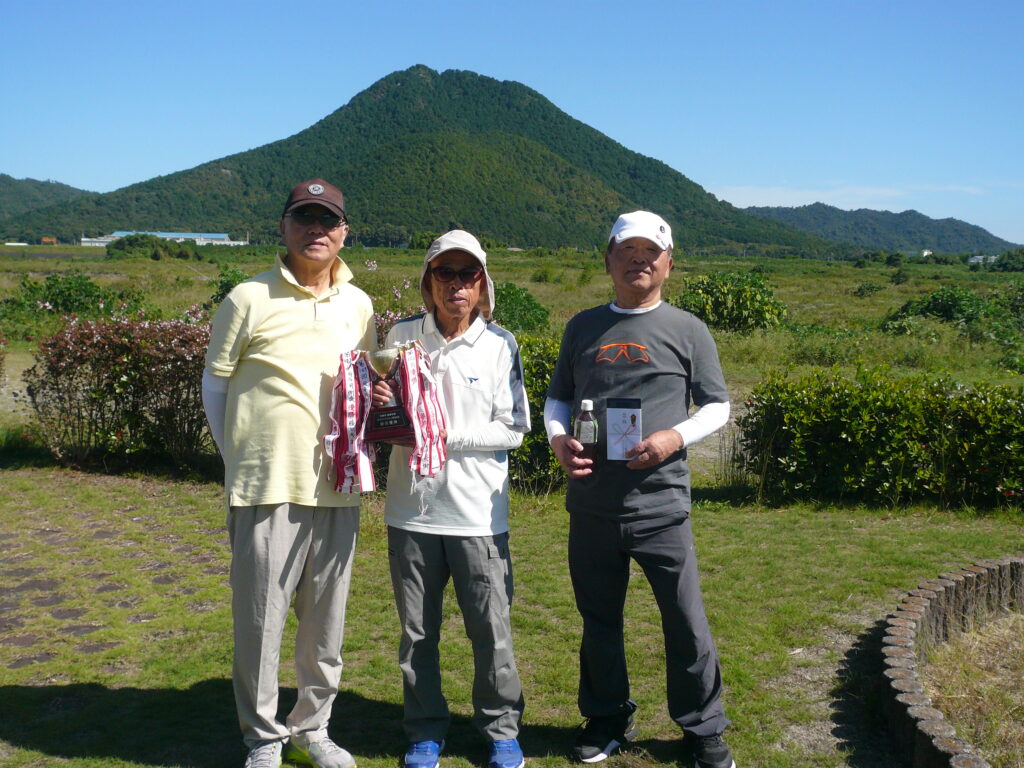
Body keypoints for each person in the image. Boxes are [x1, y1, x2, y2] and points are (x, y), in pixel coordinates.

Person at [544, 211, 736, 768]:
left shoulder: (688, 329)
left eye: (651, 251)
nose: (639, 260)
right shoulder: (581, 326)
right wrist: (558, 439)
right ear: (608, 259)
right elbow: (559, 397)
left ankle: (702, 727)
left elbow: (718, 405)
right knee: (598, 619)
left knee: (684, 620)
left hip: (661, 506)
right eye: (627, 250)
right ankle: (606, 717)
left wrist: (674, 437)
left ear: (668, 263)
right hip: (592, 506)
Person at [203, 179, 376, 768]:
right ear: (284, 226)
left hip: (337, 484)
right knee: (261, 620)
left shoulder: (360, 305)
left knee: (326, 622)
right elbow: (216, 384)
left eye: (327, 219)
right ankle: (264, 737)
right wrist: (236, 455)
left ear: (344, 231)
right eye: (304, 217)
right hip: (266, 482)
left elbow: (365, 388)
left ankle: (314, 727)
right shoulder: (247, 297)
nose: (316, 229)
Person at [373, 230, 530, 768]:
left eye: (468, 274)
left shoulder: (499, 344)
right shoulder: (399, 336)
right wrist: (380, 408)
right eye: (445, 273)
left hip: (479, 517)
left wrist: (440, 436)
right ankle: (424, 731)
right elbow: (385, 419)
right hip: (411, 513)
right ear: (428, 281)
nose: (456, 285)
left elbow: (514, 429)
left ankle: (501, 730)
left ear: (483, 283)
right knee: (417, 634)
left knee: (492, 632)